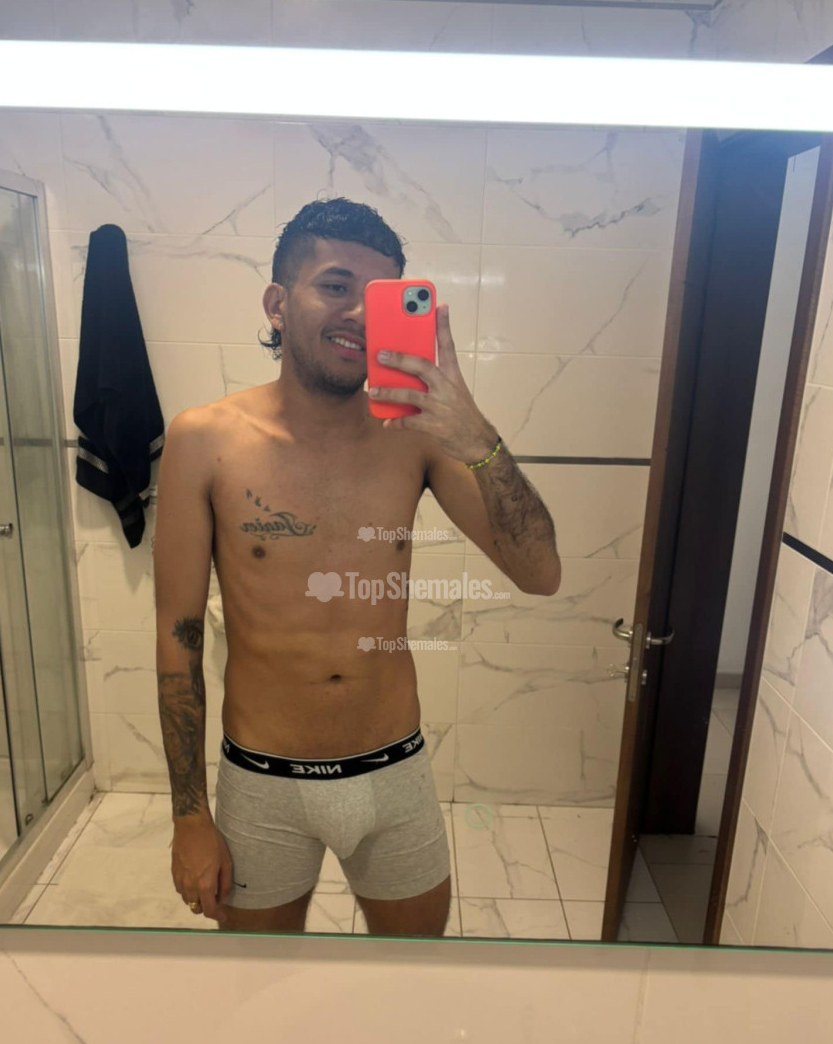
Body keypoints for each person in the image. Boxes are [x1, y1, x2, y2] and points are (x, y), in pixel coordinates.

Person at [154, 197, 562, 937]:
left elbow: (540, 572)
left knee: (411, 983)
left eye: (379, 297)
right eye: (336, 286)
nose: (360, 316)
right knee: (259, 989)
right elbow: (177, 637)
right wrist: (189, 817)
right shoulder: (204, 440)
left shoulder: (418, 438)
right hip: (264, 783)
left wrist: (476, 434)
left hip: (393, 775)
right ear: (278, 304)